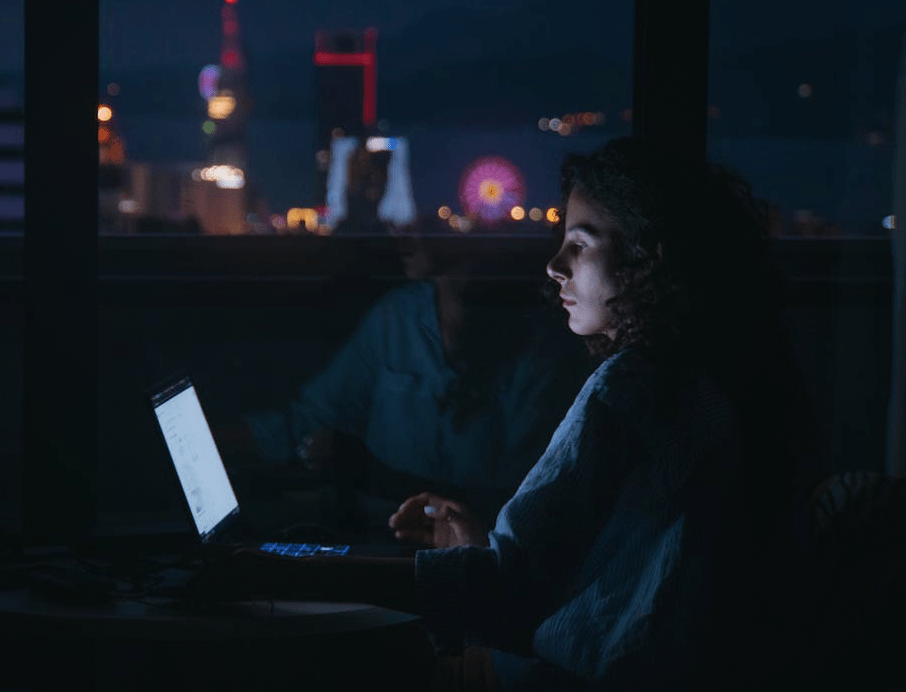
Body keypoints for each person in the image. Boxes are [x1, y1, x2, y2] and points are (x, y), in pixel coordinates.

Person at [195, 137, 822, 691]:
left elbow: (503, 589)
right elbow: (598, 569)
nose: (555, 269)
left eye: (579, 245)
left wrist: (281, 575)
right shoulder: (708, 379)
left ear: (648, 256)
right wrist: (482, 548)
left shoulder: (629, 387)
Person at [237, 217, 590, 540]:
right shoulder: (397, 317)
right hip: (374, 535)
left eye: (423, 217)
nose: (402, 231)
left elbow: (523, 499)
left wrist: (373, 474)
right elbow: (307, 419)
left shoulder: (538, 347)